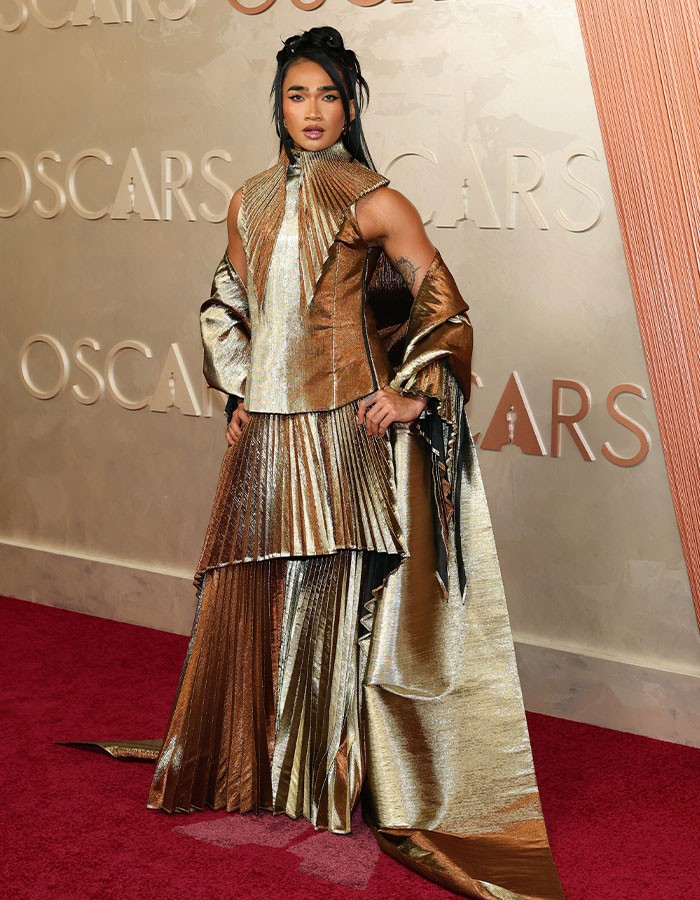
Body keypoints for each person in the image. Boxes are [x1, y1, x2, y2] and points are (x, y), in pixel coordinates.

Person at [85, 26, 563, 900]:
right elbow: (229, 304)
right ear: (278, 104)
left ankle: (331, 771)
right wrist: (240, 393)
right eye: (297, 95)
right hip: (268, 430)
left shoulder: (376, 200)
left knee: (342, 594)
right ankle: (264, 761)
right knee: (257, 588)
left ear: (351, 107)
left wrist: (415, 393)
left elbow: (445, 307)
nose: (313, 111)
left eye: (329, 96)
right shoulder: (248, 198)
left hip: (346, 421)